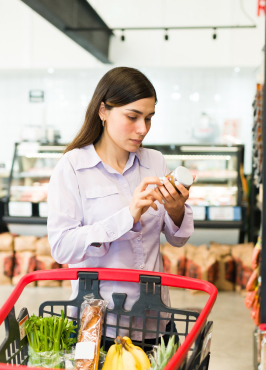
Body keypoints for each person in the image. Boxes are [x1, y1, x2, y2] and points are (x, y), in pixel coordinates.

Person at [47, 67, 194, 350]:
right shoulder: (73, 167)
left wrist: (177, 209)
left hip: (154, 317)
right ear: (103, 110)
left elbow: (178, 238)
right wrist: (127, 216)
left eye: (148, 118)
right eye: (132, 117)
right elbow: (62, 247)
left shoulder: (155, 162)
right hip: (98, 323)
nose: (143, 129)